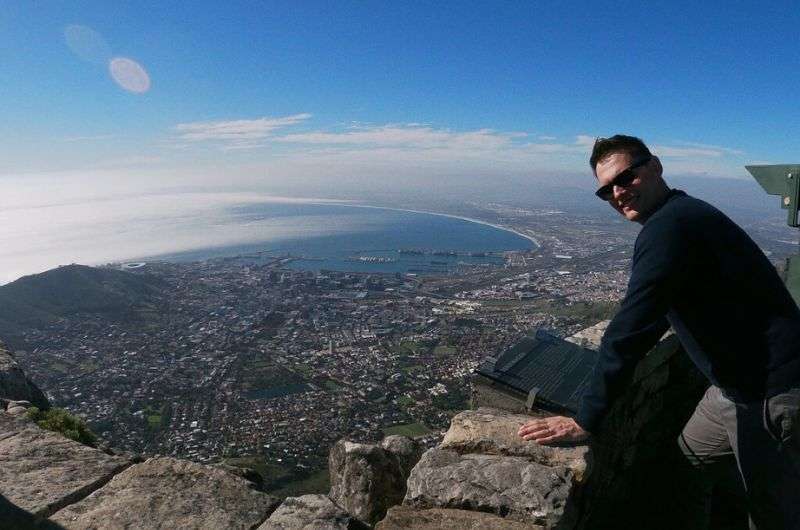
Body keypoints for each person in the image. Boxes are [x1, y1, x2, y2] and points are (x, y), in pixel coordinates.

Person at [517, 135, 800, 529]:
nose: (617, 193)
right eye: (606, 191)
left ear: (655, 167)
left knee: (773, 514)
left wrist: (587, 418)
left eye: (626, 177)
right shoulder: (684, 216)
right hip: (732, 389)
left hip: (772, 393)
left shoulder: (671, 226)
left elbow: (631, 328)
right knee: (685, 466)